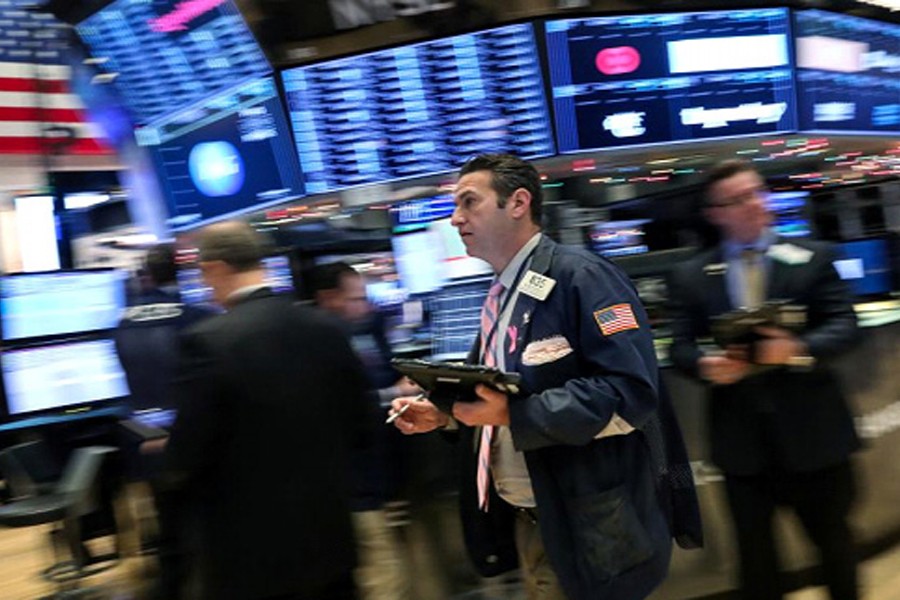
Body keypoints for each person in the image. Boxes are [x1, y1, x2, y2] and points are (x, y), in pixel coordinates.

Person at [390, 154, 700, 600]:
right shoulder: (502, 295)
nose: (455, 218)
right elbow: (500, 393)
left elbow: (629, 392)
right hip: (538, 516)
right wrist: (446, 413)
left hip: (590, 519)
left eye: (469, 202)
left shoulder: (584, 277)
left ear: (517, 202)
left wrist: (516, 413)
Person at [666, 160, 861, 600]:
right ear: (715, 212)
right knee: (756, 562)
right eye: (737, 199)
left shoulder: (813, 257)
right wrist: (705, 364)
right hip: (743, 449)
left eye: (756, 192)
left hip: (817, 438)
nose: (754, 204)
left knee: (835, 549)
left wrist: (796, 348)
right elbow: (678, 345)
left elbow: (845, 327)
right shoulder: (691, 276)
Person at [163, 221, 373, 600]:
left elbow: (185, 457)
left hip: (252, 561)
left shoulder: (207, 342)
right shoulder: (325, 328)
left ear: (215, 268)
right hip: (331, 542)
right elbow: (363, 426)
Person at [308, 261, 417, 600]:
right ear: (328, 298)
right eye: (355, 298)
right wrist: (394, 394)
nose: (364, 305)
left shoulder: (366, 329)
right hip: (351, 487)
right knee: (384, 580)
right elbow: (341, 405)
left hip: (378, 479)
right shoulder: (319, 343)